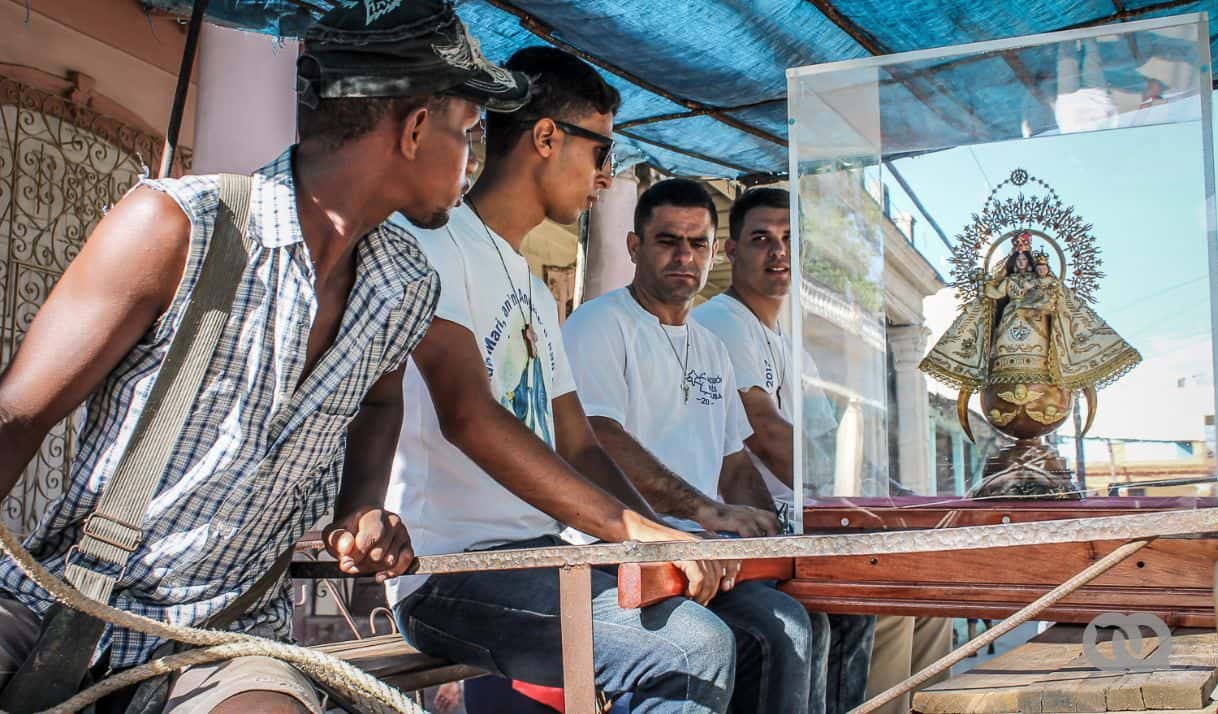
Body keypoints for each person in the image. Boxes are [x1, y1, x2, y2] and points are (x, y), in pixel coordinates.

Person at [0, 3, 530, 711]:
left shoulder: (405, 285)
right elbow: (18, 413)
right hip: (64, 601)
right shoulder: (178, 226)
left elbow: (378, 397)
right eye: (468, 132)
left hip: (227, 638)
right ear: (412, 130)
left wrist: (362, 507)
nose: (471, 160)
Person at [385, 47, 740, 714]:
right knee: (691, 646)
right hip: (446, 574)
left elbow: (578, 444)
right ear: (547, 138)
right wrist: (634, 530)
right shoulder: (434, 245)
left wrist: (660, 529)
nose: (606, 176)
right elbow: (469, 417)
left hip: (542, 557)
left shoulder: (533, 290)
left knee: (758, 621)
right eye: (601, 151)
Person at [563, 178, 816, 714]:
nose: (685, 256)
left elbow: (733, 466)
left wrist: (774, 534)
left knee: (793, 623)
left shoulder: (709, 346)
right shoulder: (600, 324)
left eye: (697, 243)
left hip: (701, 551)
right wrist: (704, 512)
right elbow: (597, 440)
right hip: (618, 553)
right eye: (668, 241)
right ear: (635, 247)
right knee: (699, 641)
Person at [692, 187, 876, 714]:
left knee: (879, 602)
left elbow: (825, 441)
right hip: (749, 535)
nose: (778, 252)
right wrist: (850, 502)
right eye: (762, 239)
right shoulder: (723, 321)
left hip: (792, 533)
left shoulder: (787, 341)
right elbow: (766, 434)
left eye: (790, 240)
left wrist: (881, 492)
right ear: (731, 252)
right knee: (818, 618)